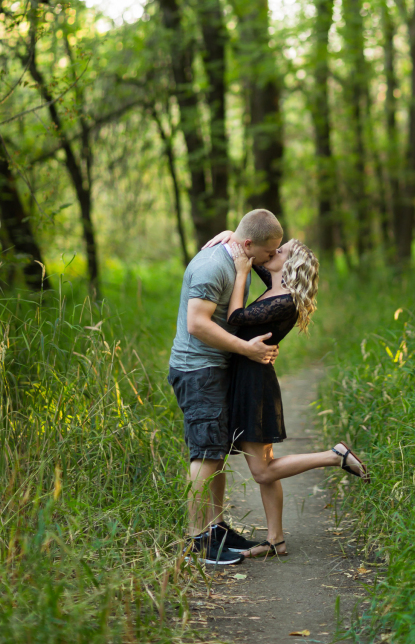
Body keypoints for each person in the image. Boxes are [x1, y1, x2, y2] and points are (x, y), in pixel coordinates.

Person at [209, 231, 369, 559]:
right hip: (249, 377)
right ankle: (276, 540)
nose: (274, 251)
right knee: (267, 466)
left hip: (254, 384)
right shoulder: (276, 285)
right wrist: (233, 234)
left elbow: (236, 318)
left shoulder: (285, 302)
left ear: (289, 263)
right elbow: (254, 251)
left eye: (281, 250)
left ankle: (333, 456)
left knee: (263, 471)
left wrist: (239, 273)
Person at [167, 209, 283, 565]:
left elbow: (281, 263)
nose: (271, 259)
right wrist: (246, 348)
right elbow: (197, 324)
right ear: (249, 245)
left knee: (215, 451)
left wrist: (229, 234)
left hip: (215, 367)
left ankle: (214, 528)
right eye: (267, 253)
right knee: (205, 453)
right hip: (196, 370)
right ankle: (196, 539)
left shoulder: (240, 255)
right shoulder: (212, 266)